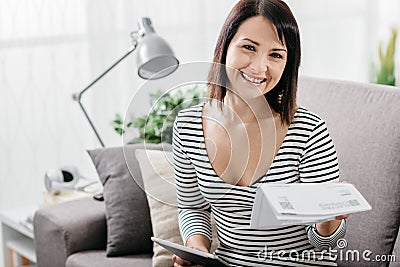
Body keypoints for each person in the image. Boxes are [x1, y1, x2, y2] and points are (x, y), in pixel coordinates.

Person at [172, 0, 348, 266]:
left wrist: (328, 220)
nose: (258, 67)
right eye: (249, 47)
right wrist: (197, 248)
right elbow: (192, 208)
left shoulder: (308, 131)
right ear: (225, 46)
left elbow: (326, 244)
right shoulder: (187, 126)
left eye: (276, 55)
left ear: (288, 64)